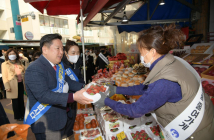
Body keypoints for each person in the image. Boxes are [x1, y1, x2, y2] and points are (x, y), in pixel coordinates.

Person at [94, 24, 214, 140]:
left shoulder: (164, 81)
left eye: (141, 52)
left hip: (193, 132)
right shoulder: (171, 62)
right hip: (203, 120)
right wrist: (117, 89)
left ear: (152, 51)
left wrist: (105, 101)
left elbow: (135, 110)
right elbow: (145, 88)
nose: (141, 56)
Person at [24, 34, 92, 140]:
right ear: (45, 50)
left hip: (61, 120)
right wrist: (73, 97)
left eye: (62, 48)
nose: (61, 52)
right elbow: (43, 95)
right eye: (57, 48)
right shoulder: (35, 68)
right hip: (47, 124)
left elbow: (68, 82)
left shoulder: (58, 66)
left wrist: (86, 86)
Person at [1, 48, 25, 121]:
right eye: (10, 54)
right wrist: (7, 86)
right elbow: (4, 77)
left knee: (21, 100)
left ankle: (23, 115)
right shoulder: (5, 64)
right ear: (7, 55)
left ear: (16, 55)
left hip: (21, 84)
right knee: (15, 102)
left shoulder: (20, 62)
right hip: (12, 85)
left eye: (13, 54)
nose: (12, 55)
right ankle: (17, 116)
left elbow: (24, 71)